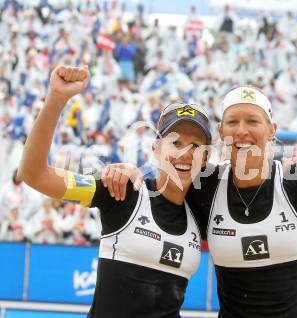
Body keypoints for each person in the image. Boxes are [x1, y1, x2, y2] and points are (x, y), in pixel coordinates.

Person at [104, 41, 297, 317]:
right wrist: (134, 171)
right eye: (232, 122)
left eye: (253, 121)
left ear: (272, 129)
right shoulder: (205, 185)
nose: (242, 130)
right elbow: (167, 168)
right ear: (221, 134)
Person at [18, 65, 212, 317]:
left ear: (206, 158)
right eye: (175, 142)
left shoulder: (204, 210)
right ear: (155, 148)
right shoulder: (124, 190)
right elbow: (35, 174)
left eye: (195, 145)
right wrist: (56, 99)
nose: (185, 153)